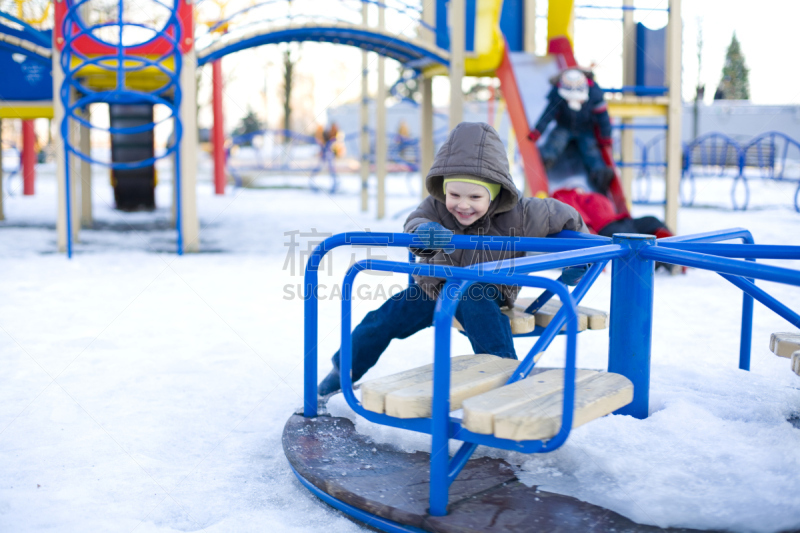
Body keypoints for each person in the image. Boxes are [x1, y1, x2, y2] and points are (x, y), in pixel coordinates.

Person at [318, 122, 589, 396]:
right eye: (454, 194)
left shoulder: (523, 213)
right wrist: (425, 233)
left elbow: (568, 217)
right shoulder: (436, 206)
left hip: (486, 288)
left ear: (496, 192)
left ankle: (506, 378)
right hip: (434, 285)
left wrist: (580, 260)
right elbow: (415, 222)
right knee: (383, 319)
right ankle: (344, 369)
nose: (462, 204)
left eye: (475, 196)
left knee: (480, 311)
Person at [528, 68, 615, 193]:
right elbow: (548, 115)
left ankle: (599, 174)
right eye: (569, 99)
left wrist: (606, 137)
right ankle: (545, 160)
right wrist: (537, 131)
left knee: (590, 149)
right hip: (565, 125)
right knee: (556, 141)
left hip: (585, 128)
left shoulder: (595, 94)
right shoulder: (557, 95)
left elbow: (603, 119)